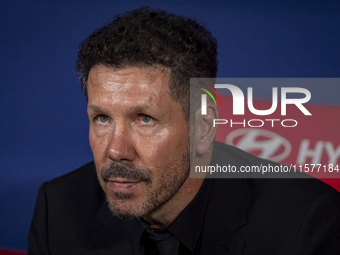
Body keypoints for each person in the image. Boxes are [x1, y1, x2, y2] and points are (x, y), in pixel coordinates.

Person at [28, 7, 340, 255]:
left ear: (203, 126)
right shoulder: (58, 210)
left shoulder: (307, 224)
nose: (115, 150)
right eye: (102, 119)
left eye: (144, 119)